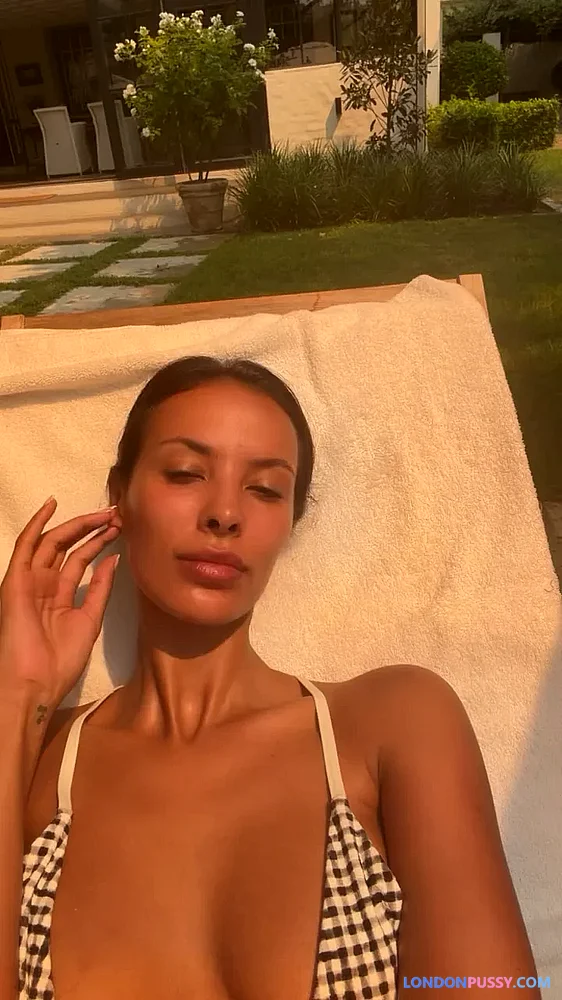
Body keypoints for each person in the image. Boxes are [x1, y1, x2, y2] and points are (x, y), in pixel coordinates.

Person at [0, 356, 541, 1000]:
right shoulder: (34, 760)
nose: (225, 513)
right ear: (121, 495)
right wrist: (19, 695)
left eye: (264, 489)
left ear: (289, 523)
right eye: (185, 473)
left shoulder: (392, 722)